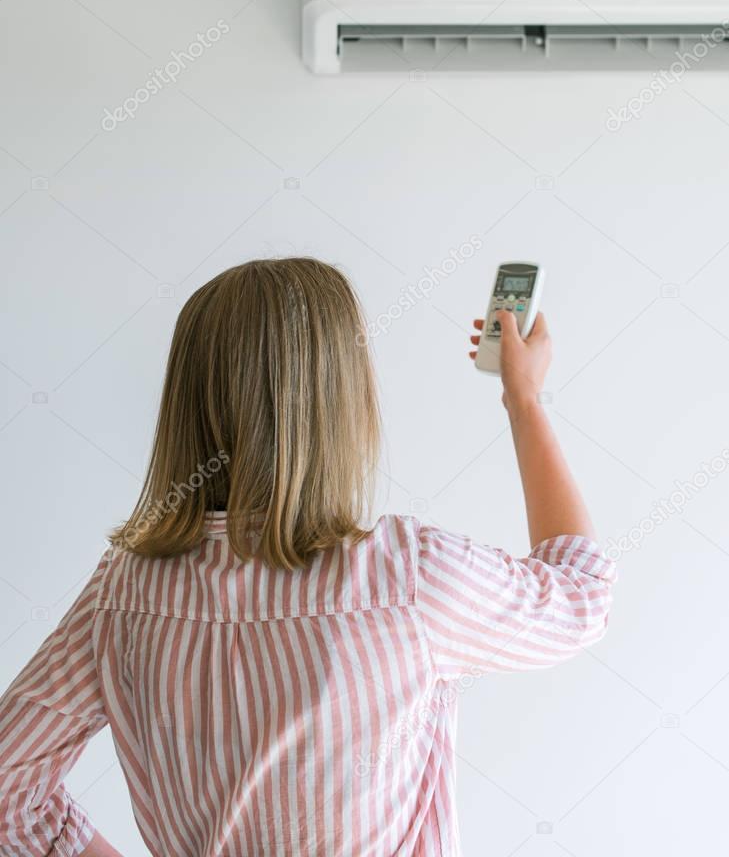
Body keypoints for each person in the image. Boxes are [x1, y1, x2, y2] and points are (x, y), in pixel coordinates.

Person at [0, 258, 615, 857]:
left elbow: (8, 790)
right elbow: (581, 595)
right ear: (340, 400)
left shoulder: (124, 589)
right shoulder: (405, 577)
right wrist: (524, 400)